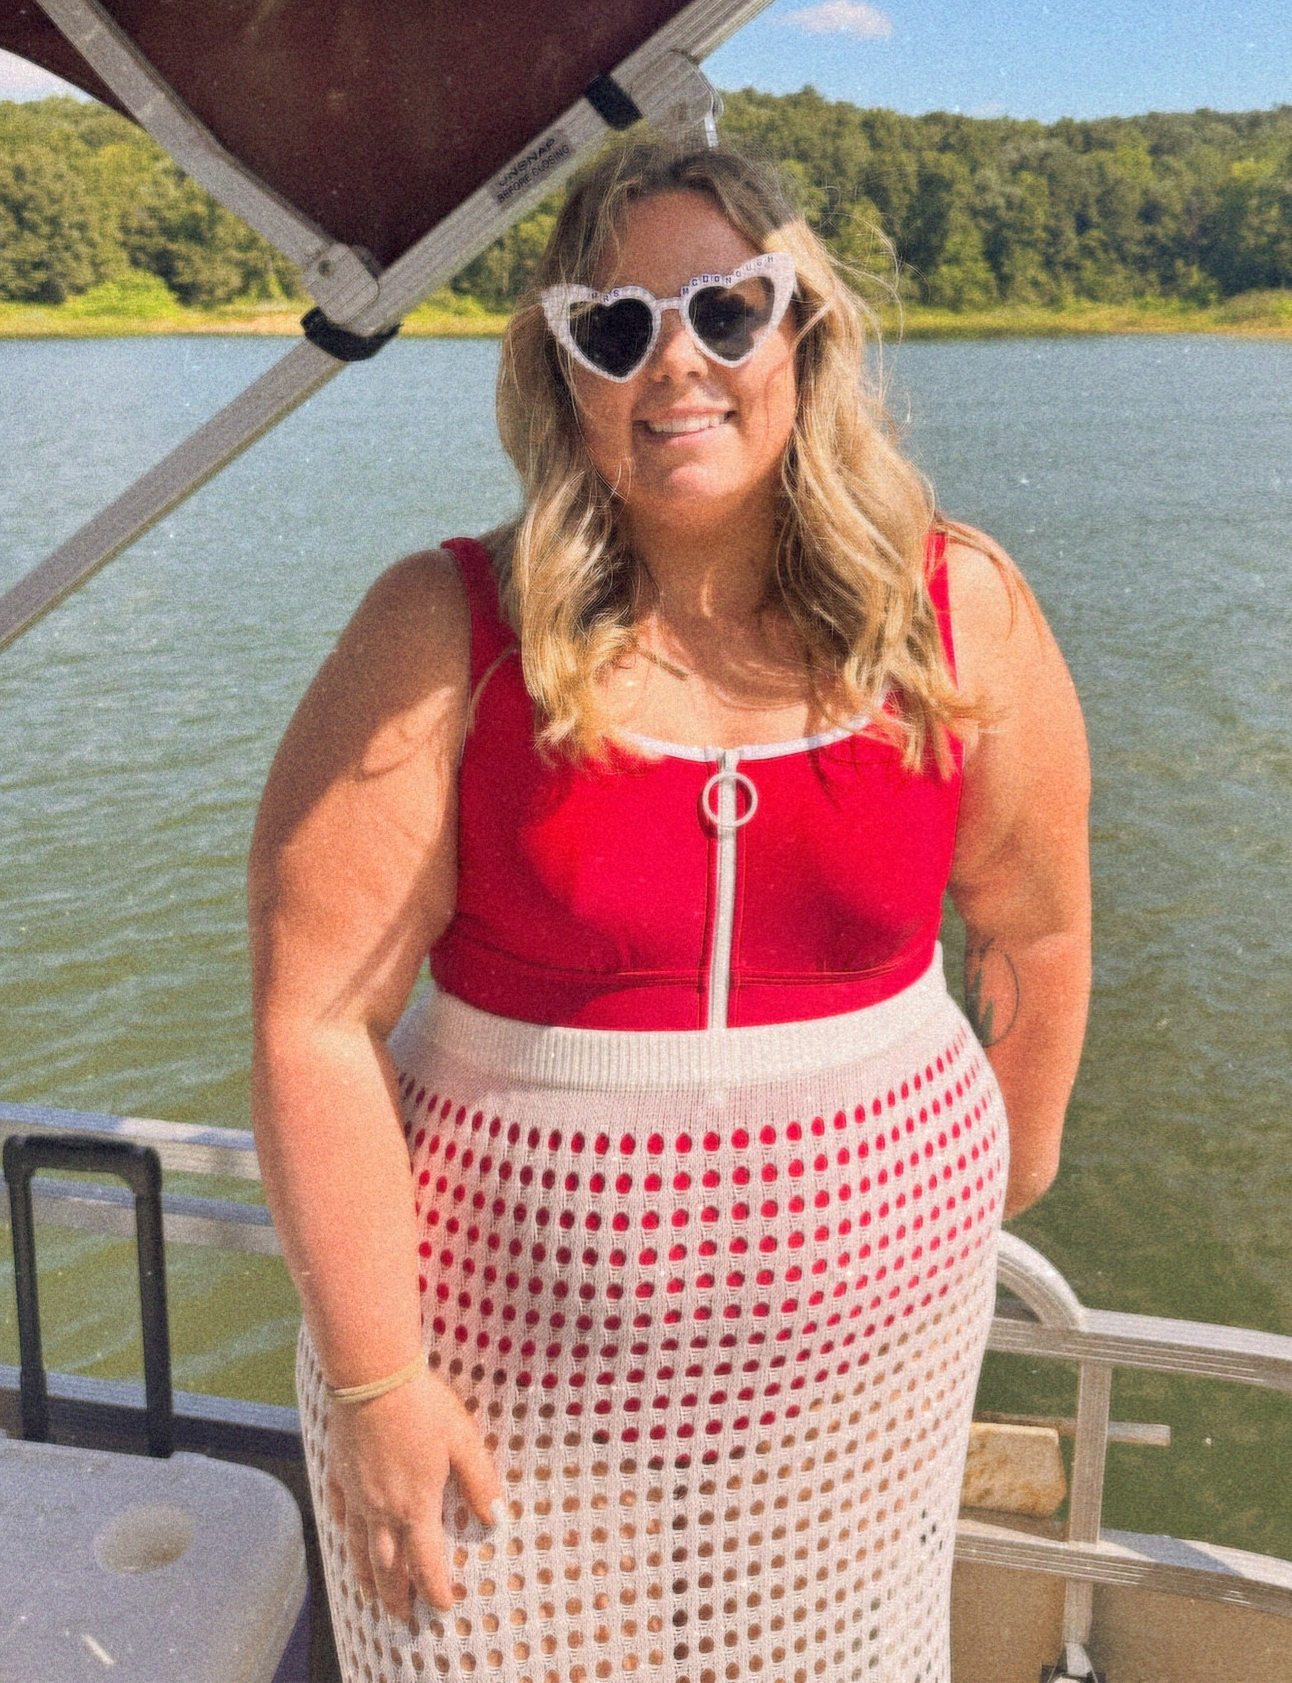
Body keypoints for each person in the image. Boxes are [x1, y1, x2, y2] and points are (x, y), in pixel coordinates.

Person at [248, 139, 1090, 1683]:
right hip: (501, 1393)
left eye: (725, 308)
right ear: (565, 373)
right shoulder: (443, 633)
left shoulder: (957, 613)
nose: (676, 362)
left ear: (802, 330)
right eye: (617, 327)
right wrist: (376, 1386)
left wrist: (996, 1179)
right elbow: (314, 1019)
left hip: (861, 1398)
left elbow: (1033, 928)